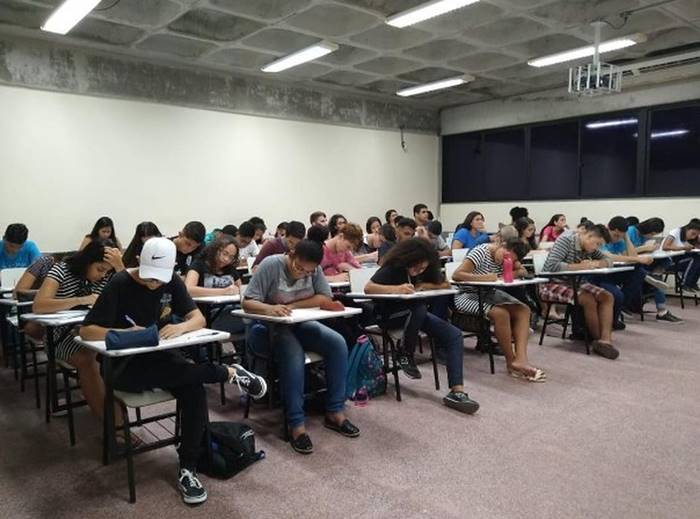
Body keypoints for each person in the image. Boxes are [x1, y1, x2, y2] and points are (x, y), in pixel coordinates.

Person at [79, 237, 266, 504]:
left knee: (193, 389)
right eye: (149, 277)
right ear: (140, 263)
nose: (154, 284)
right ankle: (226, 373)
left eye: (160, 279)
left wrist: (180, 327)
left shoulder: (171, 281)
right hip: (123, 365)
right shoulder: (119, 283)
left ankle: (188, 467)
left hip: (160, 356)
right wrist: (127, 333)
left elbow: (197, 318)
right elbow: (87, 330)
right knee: (189, 379)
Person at [242, 240, 359, 455]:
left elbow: (324, 297)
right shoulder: (271, 265)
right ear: (291, 254)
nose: (302, 274)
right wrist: (269, 308)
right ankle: (295, 423)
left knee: (337, 343)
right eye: (299, 268)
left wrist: (292, 305)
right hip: (267, 327)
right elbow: (247, 302)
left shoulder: (313, 269)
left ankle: (335, 411)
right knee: (293, 353)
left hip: (299, 322)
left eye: (308, 272)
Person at [365, 238, 480, 414]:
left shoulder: (426, 269)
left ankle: (457, 392)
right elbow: (369, 288)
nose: (419, 270)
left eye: (422, 268)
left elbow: (445, 284)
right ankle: (405, 354)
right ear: (408, 259)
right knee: (419, 308)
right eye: (416, 267)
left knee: (454, 335)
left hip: (415, 314)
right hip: (389, 315)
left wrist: (423, 285)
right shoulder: (394, 267)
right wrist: (397, 289)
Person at [33, 240, 125, 429]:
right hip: (60, 336)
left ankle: (113, 413)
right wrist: (80, 300)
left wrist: (120, 267)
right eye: (100, 269)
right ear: (87, 261)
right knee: (87, 360)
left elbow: (131, 298)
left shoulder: (108, 276)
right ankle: (113, 425)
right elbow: (39, 305)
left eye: (107, 271)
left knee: (114, 358)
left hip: (93, 332)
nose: (102, 275)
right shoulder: (61, 270)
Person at [453, 238, 546, 382]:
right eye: (505, 256)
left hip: (489, 293)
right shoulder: (481, 252)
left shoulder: (510, 257)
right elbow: (457, 275)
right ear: (502, 245)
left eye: (510, 260)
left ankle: (521, 359)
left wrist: (506, 274)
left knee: (524, 310)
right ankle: (510, 361)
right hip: (466, 295)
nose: (505, 261)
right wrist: (485, 278)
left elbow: (522, 270)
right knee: (501, 314)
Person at [541, 224, 619, 360]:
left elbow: (609, 260)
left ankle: (605, 340)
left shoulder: (590, 248)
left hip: (576, 284)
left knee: (607, 297)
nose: (597, 248)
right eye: (597, 244)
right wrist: (581, 266)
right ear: (588, 236)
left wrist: (598, 263)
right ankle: (597, 340)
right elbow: (551, 266)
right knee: (588, 299)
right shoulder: (566, 241)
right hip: (553, 284)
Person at [605, 217, 682, 324]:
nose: (618, 238)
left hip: (624, 267)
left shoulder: (621, 238)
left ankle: (651, 277)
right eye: (616, 235)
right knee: (640, 271)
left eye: (621, 236)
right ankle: (650, 278)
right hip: (607, 271)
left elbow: (631, 255)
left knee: (665, 261)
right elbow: (612, 256)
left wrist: (626, 239)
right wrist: (644, 250)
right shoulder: (604, 238)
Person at [662, 219, 700, 293]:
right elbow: (665, 247)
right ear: (687, 228)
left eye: (696, 235)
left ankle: (692, 283)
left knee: (697, 257)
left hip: (679, 261)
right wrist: (683, 248)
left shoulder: (691, 238)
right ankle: (685, 284)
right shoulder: (675, 232)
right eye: (693, 234)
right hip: (668, 263)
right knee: (693, 259)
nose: (693, 237)